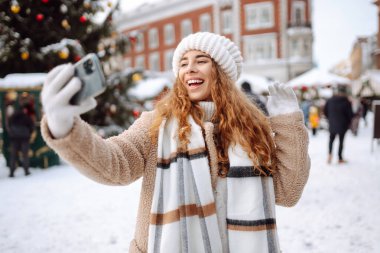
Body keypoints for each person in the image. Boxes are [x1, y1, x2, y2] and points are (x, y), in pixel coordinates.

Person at [41, 32, 310, 253]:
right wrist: (65, 128)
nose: (189, 67)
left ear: (222, 73)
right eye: (183, 63)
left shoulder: (250, 131)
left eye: (201, 60)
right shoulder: (157, 124)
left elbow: (288, 192)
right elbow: (116, 164)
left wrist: (289, 123)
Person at [324, 85, 354, 164]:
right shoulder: (346, 101)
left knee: (331, 140)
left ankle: (330, 155)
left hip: (332, 124)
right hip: (343, 125)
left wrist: (330, 118)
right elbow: (350, 115)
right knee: (341, 141)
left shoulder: (330, 100)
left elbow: (325, 111)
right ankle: (340, 158)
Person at [7, 104, 34, 177]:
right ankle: (26, 171)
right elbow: (32, 126)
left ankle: (11, 172)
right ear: (24, 110)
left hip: (14, 139)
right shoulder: (26, 117)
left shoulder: (12, 117)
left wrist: (12, 134)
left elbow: (8, 126)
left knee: (13, 156)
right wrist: (28, 133)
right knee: (25, 155)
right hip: (24, 139)